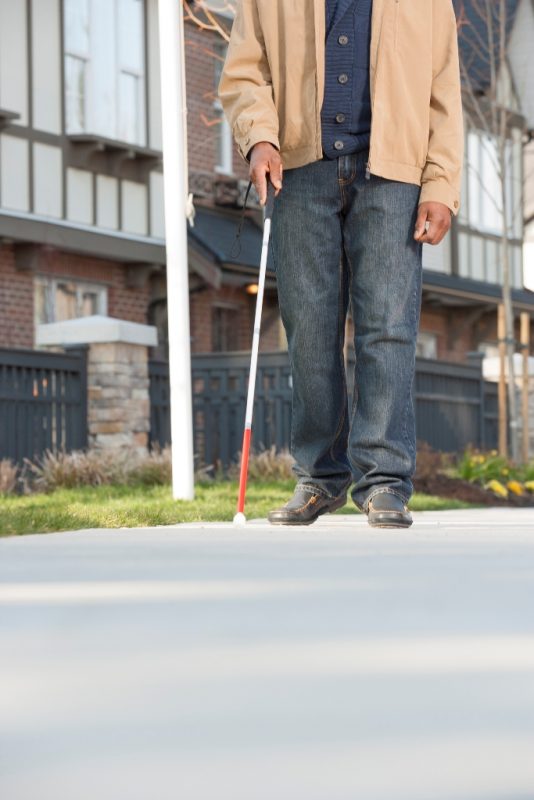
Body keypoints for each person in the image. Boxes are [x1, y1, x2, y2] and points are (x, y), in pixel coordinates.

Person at [219, 0, 464, 528]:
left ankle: (384, 483)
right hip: (300, 168)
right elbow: (245, 68)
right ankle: (318, 477)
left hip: (394, 174)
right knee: (308, 327)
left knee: (389, 329)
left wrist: (441, 185)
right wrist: (259, 136)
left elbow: (444, 91)